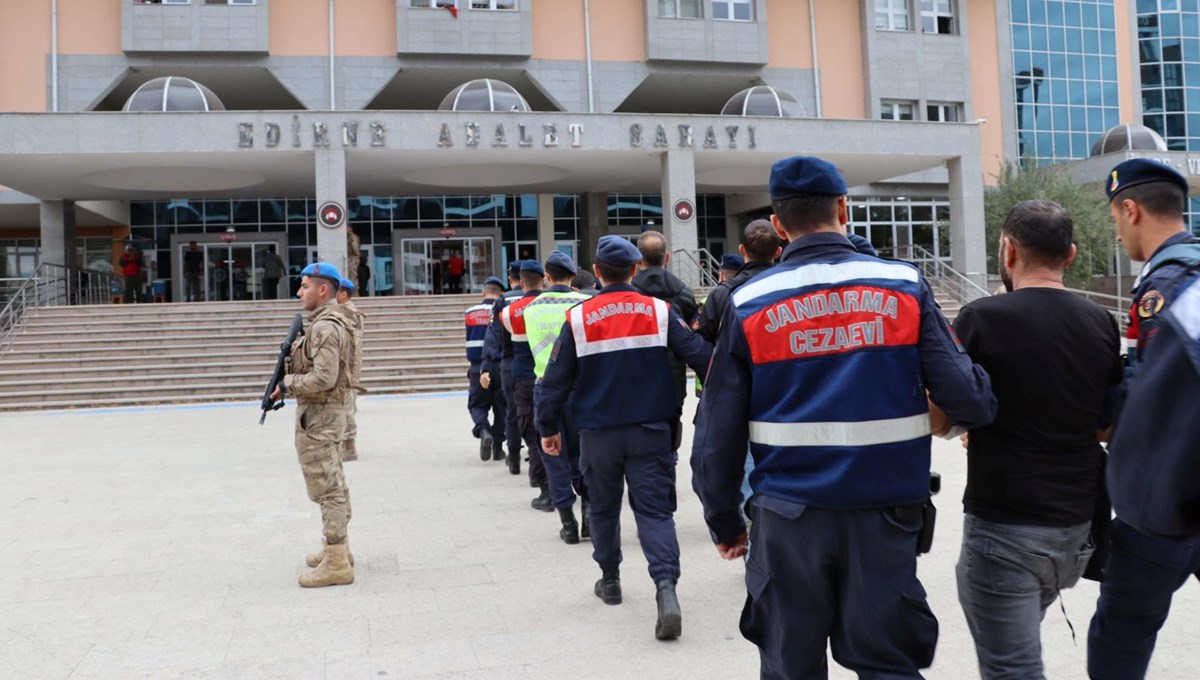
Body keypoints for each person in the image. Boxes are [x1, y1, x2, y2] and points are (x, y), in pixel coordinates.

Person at [691, 155, 996, 679]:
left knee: (792, 666)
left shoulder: (749, 302)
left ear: (780, 224)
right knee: (887, 665)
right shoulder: (903, 287)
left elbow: (716, 433)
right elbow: (967, 398)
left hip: (787, 522)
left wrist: (723, 519)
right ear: (843, 209)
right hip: (885, 514)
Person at [953, 200, 1122, 679]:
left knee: (1013, 669)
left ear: (1007, 251)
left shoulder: (981, 319)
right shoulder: (1100, 322)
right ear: (1069, 255)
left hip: (1007, 529)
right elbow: (1104, 424)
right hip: (1076, 530)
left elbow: (951, 411)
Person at [536, 236, 713, 641]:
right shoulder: (660, 310)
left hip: (597, 435)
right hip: (651, 431)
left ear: (596, 273)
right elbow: (702, 357)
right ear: (635, 270)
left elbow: (554, 382)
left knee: (602, 508)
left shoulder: (579, 318)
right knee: (654, 513)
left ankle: (610, 579)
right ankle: (665, 588)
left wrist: (548, 430)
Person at [1088, 158, 1200, 680]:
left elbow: (1155, 398)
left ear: (1130, 210)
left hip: (1168, 500)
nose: (1117, 232)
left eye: (1114, 219)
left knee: (1119, 637)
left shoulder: (1166, 287)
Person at [269, 262, 356, 588]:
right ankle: (338, 549)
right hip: (322, 417)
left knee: (329, 489)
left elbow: (324, 377)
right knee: (333, 483)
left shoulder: (325, 327)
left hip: (320, 418)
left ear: (323, 290)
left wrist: (288, 383)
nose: (298, 292)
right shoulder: (325, 322)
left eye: (304, 286)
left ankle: (336, 562)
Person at [524, 251, 591, 544]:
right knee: (587, 454)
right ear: (573, 277)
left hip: (545, 388)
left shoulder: (529, 308)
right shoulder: (586, 304)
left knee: (553, 455)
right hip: (583, 388)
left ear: (547, 277)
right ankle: (590, 514)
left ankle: (567, 523)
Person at [632, 230, 699, 459]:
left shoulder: (631, 295)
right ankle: (670, 457)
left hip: (638, 373)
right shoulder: (683, 292)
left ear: (638, 260)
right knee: (672, 422)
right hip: (674, 375)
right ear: (667, 257)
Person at [500, 260, 552, 510]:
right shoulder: (557, 306)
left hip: (523, 375)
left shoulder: (509, 311)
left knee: (531, 432)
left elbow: (506, 349)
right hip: (553, 373)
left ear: (520, 281)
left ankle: (542, 484)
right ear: (544, 279)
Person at [695, 220, 781, 344]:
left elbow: (704, 343)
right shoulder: (792, 287)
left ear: (741, 250)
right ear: (778, 252)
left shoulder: (720, 294)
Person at [481, 260, 525, 473]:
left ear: (511, 279)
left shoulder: (503, 300)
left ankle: (514, 457)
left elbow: (493, 337)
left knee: (511, 412)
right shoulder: (539, 298)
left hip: (509, 363)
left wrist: (486, 367)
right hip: (538, 363)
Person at [466, 276, 506, 462]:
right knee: (501, 408)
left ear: (483, 291)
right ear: (501, 293)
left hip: (476, 368)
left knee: (477, 404)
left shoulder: (470, 312)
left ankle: (483, 431)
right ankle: (498, 448)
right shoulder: (502, 311)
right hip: (499, 366)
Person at [335, 277, 365, 462]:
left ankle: (348, 446)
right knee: (346, 407)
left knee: (346, 408)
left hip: (345, 370)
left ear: (343, 294)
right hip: (345, 370)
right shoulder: (345, 312)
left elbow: (351, 347)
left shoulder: (348, 313)